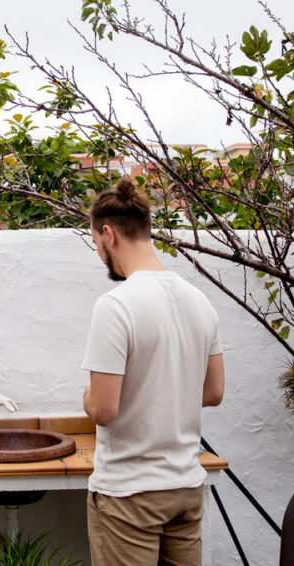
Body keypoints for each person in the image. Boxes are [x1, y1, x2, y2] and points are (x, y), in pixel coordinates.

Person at [81, 177, 226, 566]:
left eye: (96, 243)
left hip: (130, 494)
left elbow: (104, 409)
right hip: (185, 487)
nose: (100, 254)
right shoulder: (200, 301)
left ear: (108, 234)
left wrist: (88, 397)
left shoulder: (116, 305)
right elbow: (213, 392)